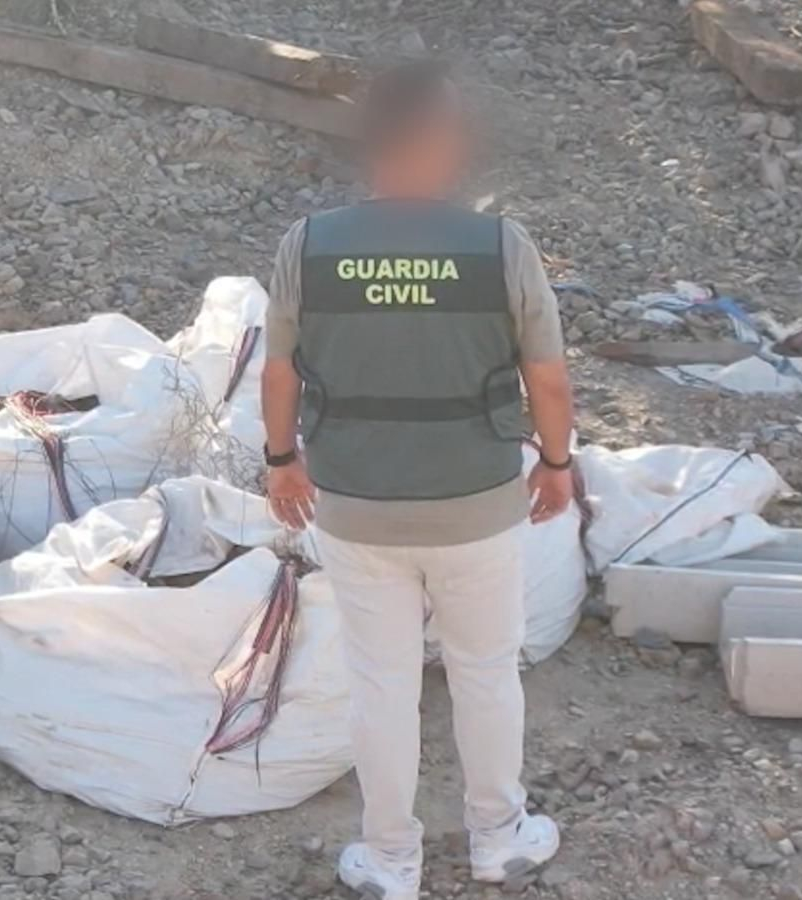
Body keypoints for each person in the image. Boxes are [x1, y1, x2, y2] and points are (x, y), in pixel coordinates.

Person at [260, 59, 575, 900]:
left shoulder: (311, 243)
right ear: (443, 144)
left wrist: (281, 461)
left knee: (382, 684)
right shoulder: (501, 246)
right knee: (484, 671)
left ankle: (391, 860)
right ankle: (499, 839)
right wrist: (555, 465)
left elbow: (279, 370)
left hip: (357, 506)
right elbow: (547, 379)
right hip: (476, 504)